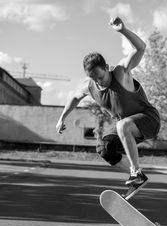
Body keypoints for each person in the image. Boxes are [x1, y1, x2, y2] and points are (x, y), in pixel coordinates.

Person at [56, 17, 160, 200]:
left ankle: (136, 173)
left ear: (106, 67)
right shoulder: (89, 85)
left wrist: (123, 31)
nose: (98, 82)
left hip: (149, 120)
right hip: (129, 127)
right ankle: (136, 175)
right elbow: (74, 98)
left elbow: (141, 48)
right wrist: (61, 118)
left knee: (122, 126)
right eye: (94, 79)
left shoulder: (120, 73)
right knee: (104, 148)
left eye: (100, 77)